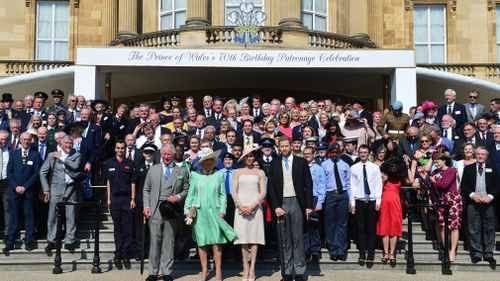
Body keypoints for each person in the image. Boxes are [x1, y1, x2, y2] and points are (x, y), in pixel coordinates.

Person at [184, 148, 237, 281]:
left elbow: (223, 195)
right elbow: (191, 195)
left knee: (216, 242)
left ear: (214, 161)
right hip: (199, 212)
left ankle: (218, 271)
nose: (209, 162)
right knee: (201, 242)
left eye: (211, 160)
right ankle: (204, 270)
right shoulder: (195, 175)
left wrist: (222, 210)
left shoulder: (219, 174)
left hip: (216, 212)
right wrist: (187, 211)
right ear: (201, 162)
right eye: (206, 160)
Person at [267, 136, 313, 281]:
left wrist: (309, 206)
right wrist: (275, 207)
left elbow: (309, 184)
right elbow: (271, 188)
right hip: (282, 203)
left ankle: (299, 271)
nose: (284, 149)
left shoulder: (301, 162)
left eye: (287, 146)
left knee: (298, 238)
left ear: (291, 146)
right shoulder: (274, 163)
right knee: (285, 240)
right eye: (282, 146)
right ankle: (286, 272)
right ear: (279, 147)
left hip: (297, 202)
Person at [143, 144, 189, 281]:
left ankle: (167, 271)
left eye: (169, 154)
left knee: (169, 242)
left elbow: (186, 189)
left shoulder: (180, 171)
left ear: (173, 155)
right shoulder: (153, 170)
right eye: (164, 154)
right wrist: (147, 206)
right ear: (161, 154)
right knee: (155, 241)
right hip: (155, 209)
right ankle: (153, 272)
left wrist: (178, 197)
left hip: (171, 210)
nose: (166, 157)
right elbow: (146, 190)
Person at [39, 135, 82, 255]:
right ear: (61, 144)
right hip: (55, 188)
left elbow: (75, 166)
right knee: (52, 215)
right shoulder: (52, 155)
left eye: (70, 143)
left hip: (70, 189)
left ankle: (69, 241)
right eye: (66, 143)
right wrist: (46, 189)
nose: (68, 146)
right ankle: (51, 240)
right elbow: (42, 172)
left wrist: (62, 158)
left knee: (70, 215)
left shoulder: (76, 154)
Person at [460, 146, 499, 269]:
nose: (480, 156)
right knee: (474, 228)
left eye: (483, 154)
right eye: (478, 154)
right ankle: (476, 253)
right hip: (473, 202)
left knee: (489, 228)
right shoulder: (469, 168)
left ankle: (488, 253)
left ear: (486, 156)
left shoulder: (493, 168)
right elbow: (464, 184)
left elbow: (498, 184)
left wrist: (491, 196)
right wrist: (472, 195)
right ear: (475, 155)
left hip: (489, 203)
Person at [3, 132, 42, 254]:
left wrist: (25, 187)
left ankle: (29, 242)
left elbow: (36, 173)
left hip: (29, 191)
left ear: (31, 141)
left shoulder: (36, 155)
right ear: (20, 140)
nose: (26, 141)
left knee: (29, 216)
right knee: (13, 216)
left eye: (28, 139)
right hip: (14, 191)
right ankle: (10, 242)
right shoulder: (13, 154)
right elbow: (9, 172)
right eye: (24, 139)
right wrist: (16, 187)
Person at [232, 147, 266, 281]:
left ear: (254, 157)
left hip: (255, 208)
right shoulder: (237, 172)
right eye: (247, 156)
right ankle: (245, 268)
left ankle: (252, 270)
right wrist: (240, 205)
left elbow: (263, 192)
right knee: (243, 239)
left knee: (254, 238)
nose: (249, 158)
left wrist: (253, 206)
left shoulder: (260, 172)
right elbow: (234, 191)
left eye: (251, 156)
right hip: (240, 208)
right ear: (244, 158)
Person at [105, 140, 137, 269]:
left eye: (122, 148)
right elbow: (108, 182)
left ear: (125, 149)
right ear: (115, 149)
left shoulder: (130, 163)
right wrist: (108, 199)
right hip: (114, 199)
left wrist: (133, 198)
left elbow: (133, 182)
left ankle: (125, 253)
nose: (120, 150)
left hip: (127, 198)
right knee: (117, 227)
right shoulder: (109, 163)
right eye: (118, 148)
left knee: (127, 227)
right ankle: (118, 253)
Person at [349, 145, 382, 266]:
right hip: (359, 200)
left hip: (372, 200)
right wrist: (352, 202)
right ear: (358, 153)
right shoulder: (353, 168)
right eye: (361, 152)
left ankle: (371, 254)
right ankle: (362, 253)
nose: (363, 154)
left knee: (371, 228)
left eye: (365, 152)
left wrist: (378, 200)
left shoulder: (374, 168)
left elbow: (378, 184)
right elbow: (352, 186)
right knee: (360, 228)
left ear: (369, 154)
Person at [376, 159, 413, 267]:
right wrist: (383, 180)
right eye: (391, 166)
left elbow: (410, 181)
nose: (393, 168)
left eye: (395, 166)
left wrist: (407, 167)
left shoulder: (399, 178)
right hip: (384, 203)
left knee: (394, 228)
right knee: (384, 227)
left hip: (396, 204)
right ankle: (386, 253)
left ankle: (392, 254)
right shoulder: (385, 177)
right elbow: (378, 190)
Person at [427, 153, 462, 262]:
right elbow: (432, 188)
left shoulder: (452, 170)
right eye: (434, 162)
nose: (436, 164)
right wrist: (430, 199)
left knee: (454, 226)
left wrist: (434, 181)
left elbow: (444, 184)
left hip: (453, 199)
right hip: (441, 200)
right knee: (442, 225)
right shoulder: (434, 173)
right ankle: (446, 250)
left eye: (437, 161)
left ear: (444, 161)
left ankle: (452, 251)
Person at [321, 142, 352, 261]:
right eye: (332, 152)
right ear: (330, 153)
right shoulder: (324, 165)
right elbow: (323, 183)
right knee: (330, 223)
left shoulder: (345, 165)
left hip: (343, 195)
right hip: (330, 195)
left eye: (336, 153)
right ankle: (333, 249)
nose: (334, 154)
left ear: (339, 153)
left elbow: (348, 183)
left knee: (342, 223)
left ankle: (341, 250)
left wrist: (350, 200)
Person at [302, 146, 326, 262]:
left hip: (314, 198)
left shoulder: (318, 169)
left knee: (314, 226)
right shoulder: (301, 168)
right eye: (305, 154)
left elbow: (322, 186)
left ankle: (315, 251)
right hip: (303, 199)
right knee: (304, 227)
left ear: (313, 154)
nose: (307, 156)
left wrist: (320, 202)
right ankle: (306, 251)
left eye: (309, 154)